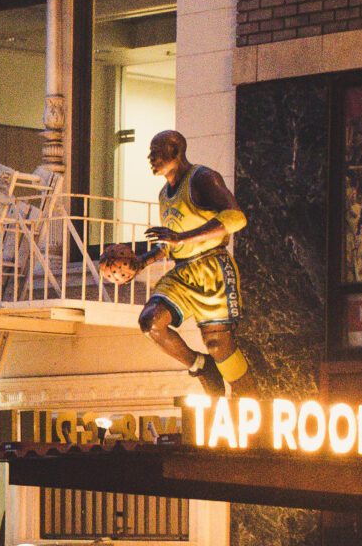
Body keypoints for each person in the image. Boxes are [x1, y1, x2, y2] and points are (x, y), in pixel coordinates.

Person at [94, 130, 251, 397]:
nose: (150, 158)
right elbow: (170, 242)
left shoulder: (203, 178)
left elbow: (236, 218)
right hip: (183, 270)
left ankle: (248, 395)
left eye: (155, 152)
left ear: (176, 151)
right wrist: (142, 261)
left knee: (218, 345)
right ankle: (200, 365)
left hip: (212, 266)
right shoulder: (164, 195)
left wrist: (183, 238)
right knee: (150, 322)